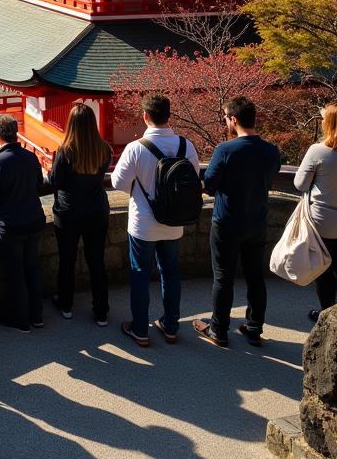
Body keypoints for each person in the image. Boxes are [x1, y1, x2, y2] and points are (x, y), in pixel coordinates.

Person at [111, 95, 201, 347]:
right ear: (169, 115)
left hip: (143, 223)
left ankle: (140, 330)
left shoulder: (136, 147)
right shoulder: (186, 145)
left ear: (145, 116)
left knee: (140, 274)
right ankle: (171, 326)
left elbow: (118, 182)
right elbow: (193, 179)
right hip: (174, 222)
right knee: (170, 272)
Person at [193, 97, 281, 347]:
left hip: (228, 221)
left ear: (234, 119)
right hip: (257, 221)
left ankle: (219, 329)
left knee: (223, 276)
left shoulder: (226, 149)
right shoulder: (270, 150)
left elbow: (209, 184)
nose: (225, 122)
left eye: (225, 117)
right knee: (255, 275)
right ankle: (254, 327)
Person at [294, 102, 337, 320]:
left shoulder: (318, 151)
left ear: (331, 124)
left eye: (324, 119)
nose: (322, 122)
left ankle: (327, 318)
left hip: (323, 223)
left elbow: (300, 184)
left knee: (323, 271)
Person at [0, 115, 47, 332]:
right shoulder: (30, 157)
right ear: (16, 132)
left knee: (16, 273)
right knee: (33, 269)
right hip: (34, 220)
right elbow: (38, 185)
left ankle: (21, 319)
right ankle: (37, 316)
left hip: (12, 225)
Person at [50, 103, 112, 326]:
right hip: (96, 211)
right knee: (97, 261)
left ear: (71, 124)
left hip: (69, 212)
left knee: (67, 260)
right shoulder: (104, 149)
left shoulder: (65, 151)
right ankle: (101, 311)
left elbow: (55, 180)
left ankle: (66, 304)